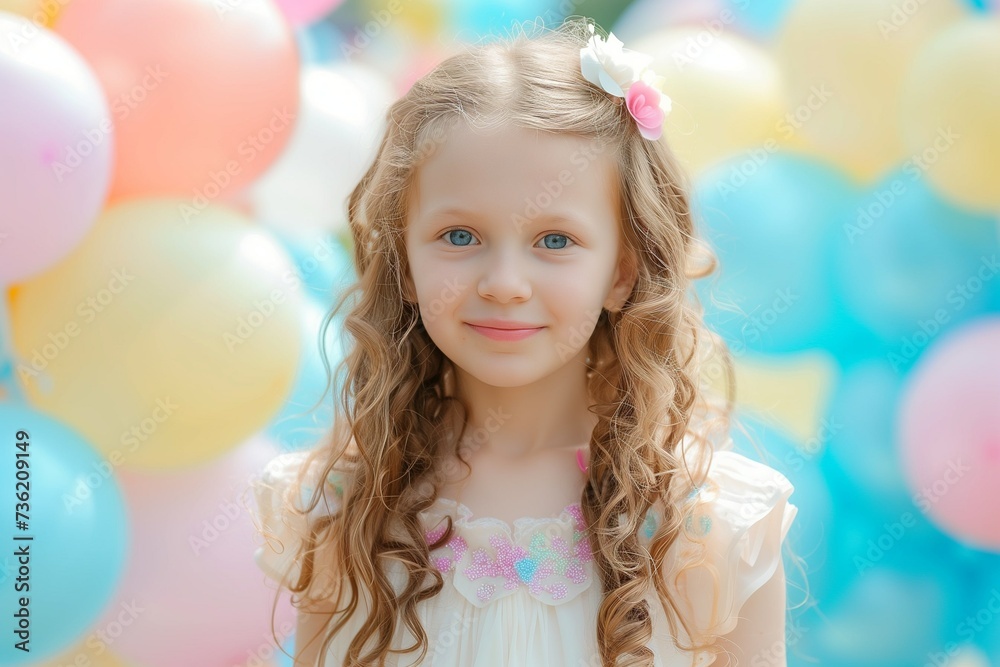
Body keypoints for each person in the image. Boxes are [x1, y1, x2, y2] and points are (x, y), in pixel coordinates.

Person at [251, 15, 799, 667]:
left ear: (622, 271)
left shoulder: (708, 524)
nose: (505, 283)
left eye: (554, 241)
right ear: (404, 258)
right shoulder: (346, 509)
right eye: (459, 236)